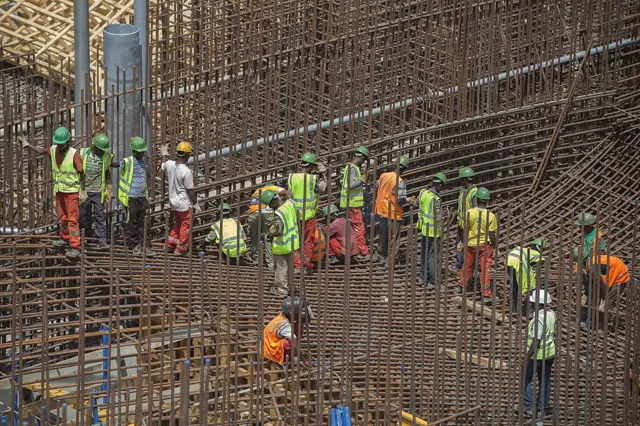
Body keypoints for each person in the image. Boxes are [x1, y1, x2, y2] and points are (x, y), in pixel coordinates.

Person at [22, 126, 83, 259]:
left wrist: (83, 190)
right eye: (58, 144)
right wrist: (28, 145)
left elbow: (81, 171)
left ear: (68, 141)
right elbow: (42, 151)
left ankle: (75, 246)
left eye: (62, 144)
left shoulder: (74, 154)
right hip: (60, 190)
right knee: (63, 217)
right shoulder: (54, 149)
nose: (60, 146)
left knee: (72, 219)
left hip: (72, 192)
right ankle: (65, 238)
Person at [515, 289, 555, 417]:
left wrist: (526, 358)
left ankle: (528, 406)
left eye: (532, 303)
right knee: (545, 380)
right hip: (550, 354)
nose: (531, 305)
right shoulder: (551, 314)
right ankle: (542, 407)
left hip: (537, 355)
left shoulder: (539, 319)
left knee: (526, 379)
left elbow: (536, 342)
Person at [287, 152, 327, 274]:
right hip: (309, 215)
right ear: (311, 166)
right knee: (307, 241)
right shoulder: (312, 179)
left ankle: (297, 265)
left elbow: (290, 194)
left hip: (294, 215)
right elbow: (323, 187)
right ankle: (307, 265)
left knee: (295, 240)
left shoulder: (292, 177)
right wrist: (322, 173)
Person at [457, 187, 497, 303]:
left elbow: (465, 229)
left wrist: (463, 242)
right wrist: (494, 246)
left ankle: (460, 286)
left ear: (476, 199)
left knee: (467, 266)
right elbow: (492, 234)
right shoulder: (491, 216)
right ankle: (486, 294)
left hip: (471, 244)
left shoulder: (470, 213)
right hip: (485, 245)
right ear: (487, 201)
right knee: (485, 269)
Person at [374, 156, 414, 266]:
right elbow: (399, 201)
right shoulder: (400, 182)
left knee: (383, 235)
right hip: (392, 214)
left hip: (381, 212)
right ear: (403, 169)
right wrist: (408, 200)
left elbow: (378, 185)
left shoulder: (383, 176)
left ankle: (381, 255)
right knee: (393, 239)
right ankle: (390, 261)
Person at [119, 137, 154, 256]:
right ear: (134, 151)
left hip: (143, 196)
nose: (142, 153)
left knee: (144, 222)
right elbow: (116, 165)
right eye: (140, 151)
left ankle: (145, 245)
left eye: (142, 151)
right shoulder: (127, 161)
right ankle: (136, 245)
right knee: (132, 222)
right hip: (132, 197)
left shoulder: (144, 161)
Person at [160, 142, 198, 256]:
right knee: (185, 225)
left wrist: (164, 154)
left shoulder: (170, 164)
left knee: (178, 223)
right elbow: (190, 191)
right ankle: (181, 249)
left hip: (173, 202)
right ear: (187, 155)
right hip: (183, 204)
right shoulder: (186, 172)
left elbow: (163, 165)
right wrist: (195, 204)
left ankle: (170, 244)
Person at [79, 134, 114, 249]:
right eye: (100, 150)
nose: (102, 152)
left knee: (100, 216)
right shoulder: (83, 153)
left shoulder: (106, 156)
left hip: (98, 191)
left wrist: (109, 190)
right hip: (85, 191)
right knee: (83, 216)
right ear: (94, 147)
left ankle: (102, 241)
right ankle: (85, 237)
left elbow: (107, 173)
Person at [573, 246, 630, 315]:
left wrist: (604, 299)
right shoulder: (583, 264)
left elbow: (602, 284)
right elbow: (587, 282)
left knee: (607, 302)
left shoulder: (593, 266)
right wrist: (586, 293)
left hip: (620, 275)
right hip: (611, 272)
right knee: (597, 294)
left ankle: (604, 321)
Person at [263, 190, 299, 296]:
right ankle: (290, 286)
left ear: (274, 201)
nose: (271, 207)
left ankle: (281, 290)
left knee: (281, 268)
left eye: (271, 205)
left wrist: (269, 235)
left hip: (282, 245)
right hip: (292, 242)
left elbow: (279, 231)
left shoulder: (279, 213)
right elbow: (289, 195)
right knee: (289, 267)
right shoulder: (290, 204)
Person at [263, 296, 314, 366]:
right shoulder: (285, 325)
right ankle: (284, 359)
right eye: (298, 314)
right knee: (289, 343)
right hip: (271, 350)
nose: (300, 315)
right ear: (292, 314)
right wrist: (304, 360)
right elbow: (294, 343)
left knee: (298, 324)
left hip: (268, 345)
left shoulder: (282, 316)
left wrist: (307, 306)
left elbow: (308, 319)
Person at [416, 172, 447, 290]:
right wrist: (444, 214)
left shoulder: (423, 192)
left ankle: (423, 277)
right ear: (438, 186)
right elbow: (437, 216)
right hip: (434, 232)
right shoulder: (436, 199)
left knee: (424, 254)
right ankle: (434, 282)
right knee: (433, 258)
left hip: (424, 229)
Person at [339, 146, 371, 261]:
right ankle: (363, 251)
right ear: (361, 157)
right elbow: (350, 185)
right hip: (353, 204)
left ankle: (356, 250)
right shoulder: (352, 168)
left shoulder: (350, 167)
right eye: (364, 160)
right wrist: (362, 180)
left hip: (352, 203)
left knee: (354, 228)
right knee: (359, 228)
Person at [247, 185, 287, 269]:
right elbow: (284, 192)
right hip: (267, 212)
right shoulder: (275, 188)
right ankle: (270, 264)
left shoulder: (258, 190)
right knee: (268, 235)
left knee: (254, 236)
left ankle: (256, 259)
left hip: (254, 212)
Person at [508, 238, 546, 313]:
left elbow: (513, 246)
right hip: (519, 263)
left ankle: (514, 307)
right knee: (531, 286)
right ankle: (531, 309)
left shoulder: (522, 249)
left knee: (515, 284)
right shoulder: (537, 253)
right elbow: (538, 266)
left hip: (509, 262)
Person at [455, 167, 478, 270]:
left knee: (468, 247)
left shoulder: (474, 193)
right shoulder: (463, 191)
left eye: (461, 179)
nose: (460, 181)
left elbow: (476, 212)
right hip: (461, 224)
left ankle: (468, 266)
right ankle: (460, 265)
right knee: (459, 245)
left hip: (469, 226)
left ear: (465, 180)